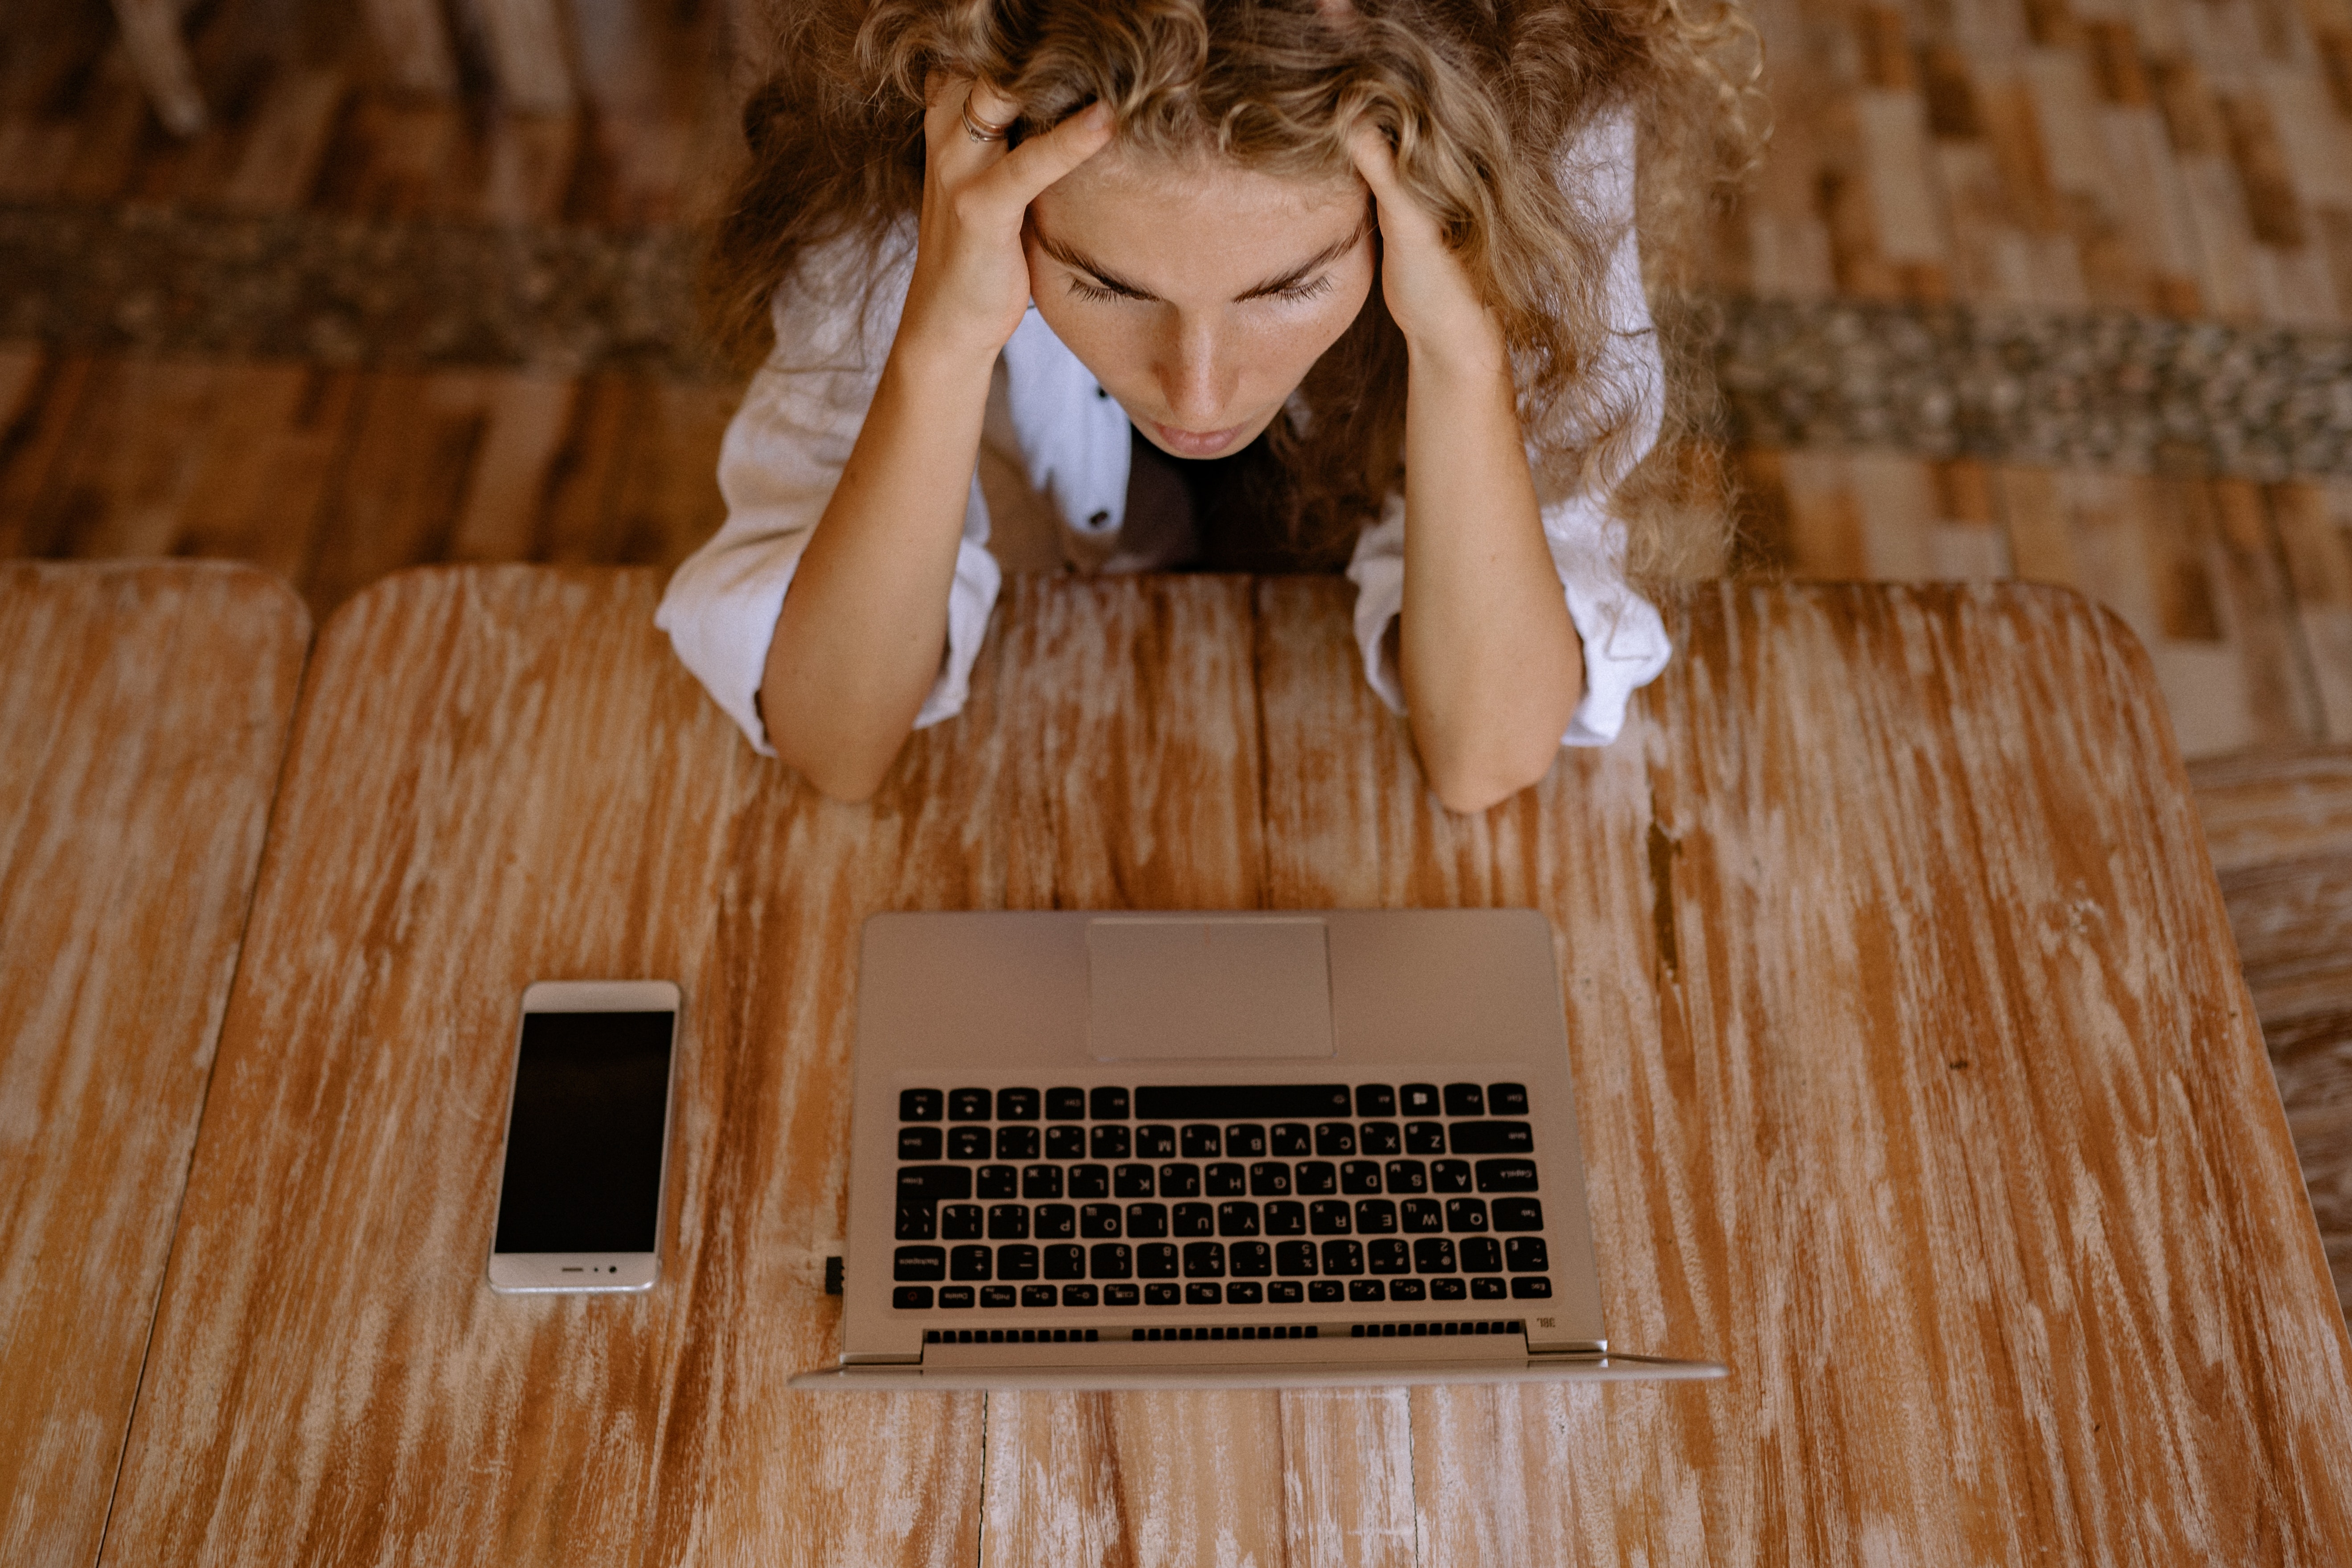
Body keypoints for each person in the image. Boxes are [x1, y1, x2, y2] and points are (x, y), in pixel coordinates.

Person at [663, 0, 1753, 808]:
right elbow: (834, 740)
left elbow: (1485, 755)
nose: (1198, 390)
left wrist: (1462, 353)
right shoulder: (931, 127)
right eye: (1105, 284)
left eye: (1286, 286)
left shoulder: (1532, 129)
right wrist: (939, 342)